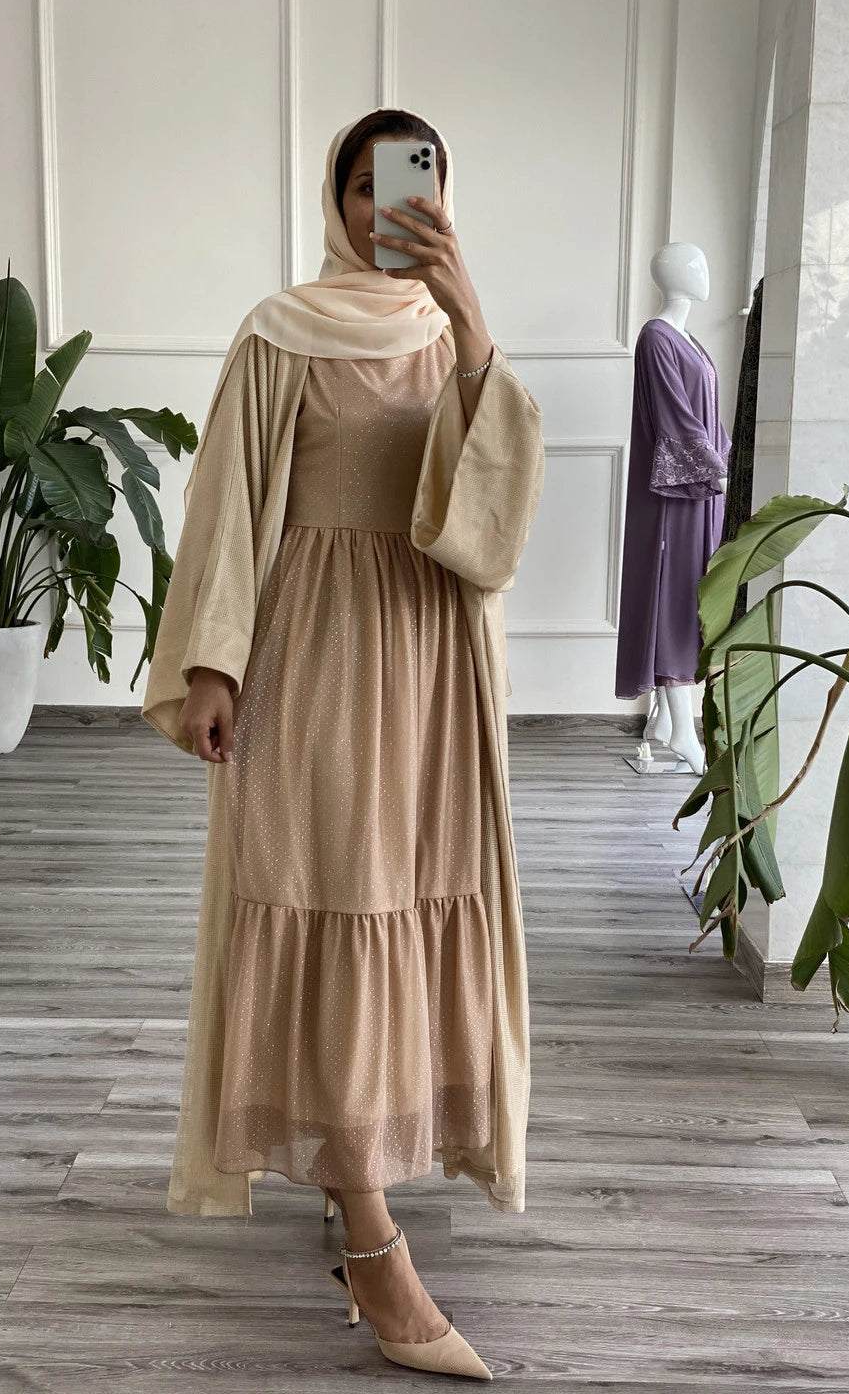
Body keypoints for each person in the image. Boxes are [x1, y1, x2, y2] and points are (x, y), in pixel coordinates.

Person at [140, 107, 545, 1380]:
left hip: (433, 667)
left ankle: (351, 1162)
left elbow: (493, 533)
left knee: (406, 906)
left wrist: (471, 320)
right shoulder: (280, 331)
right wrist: (213, 664)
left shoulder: (448, 335)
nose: (388, 210)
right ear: (336, 198)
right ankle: (374, 1251)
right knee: (325, 901)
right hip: (313, 659)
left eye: (413, 185)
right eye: (367, 186)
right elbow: (226, 505)